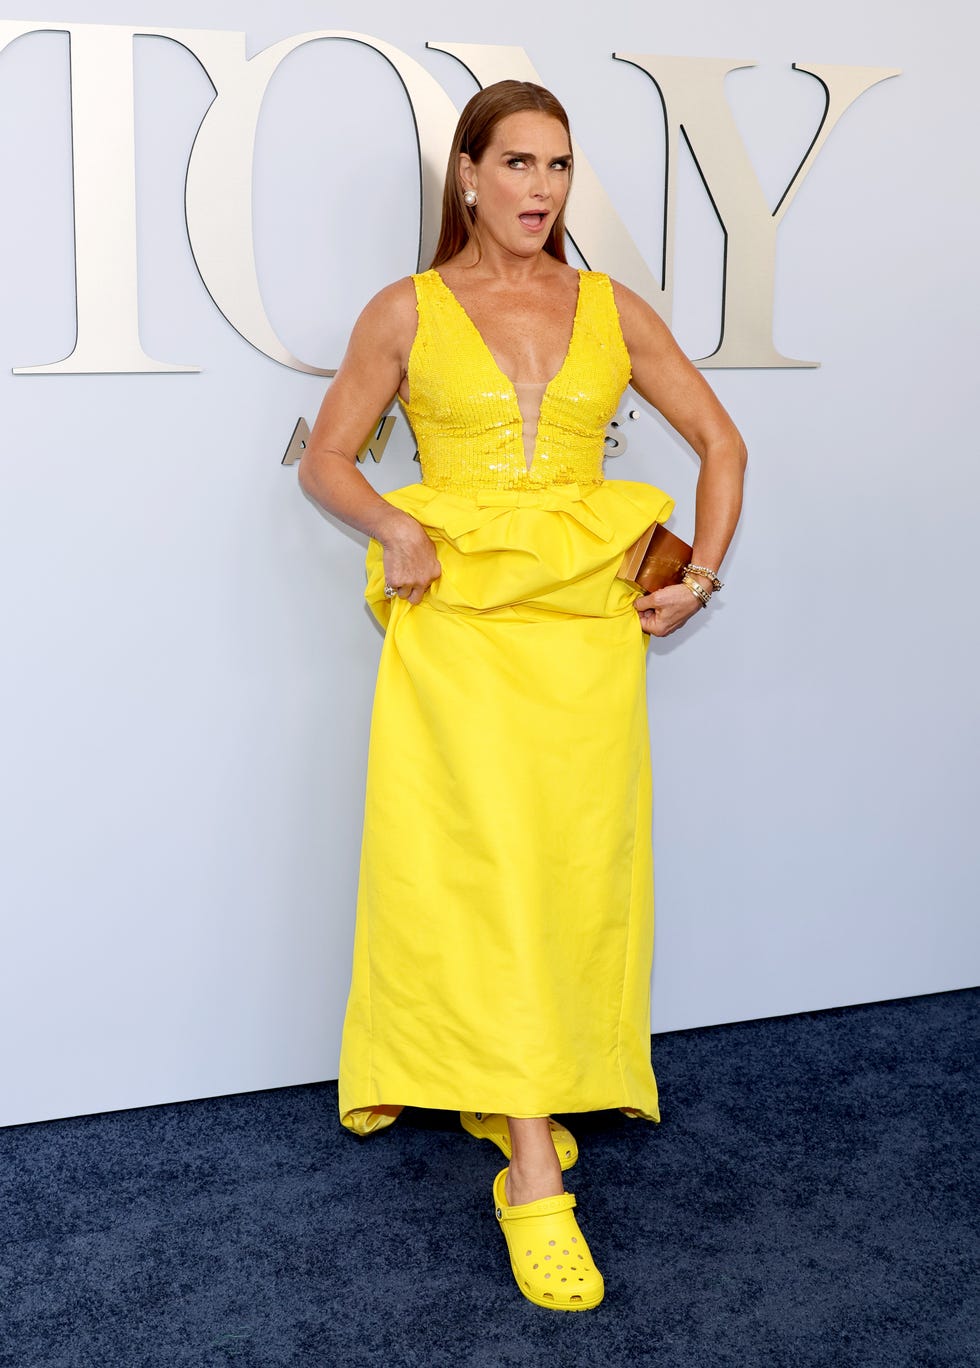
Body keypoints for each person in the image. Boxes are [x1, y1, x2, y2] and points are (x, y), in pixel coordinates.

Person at [298, 79, 746, 1312]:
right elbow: (327, 459)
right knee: (478, 869)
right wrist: (391, 523)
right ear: (467, 175)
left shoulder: (610, 307)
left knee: (566, 874)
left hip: (584, 642)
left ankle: (515, 1084)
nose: (541, 189)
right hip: (458, 638)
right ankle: (531, 1174)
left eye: (557, 167)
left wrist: (697, 576)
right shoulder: (407, 309)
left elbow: (721, 443)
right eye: (518, 164)